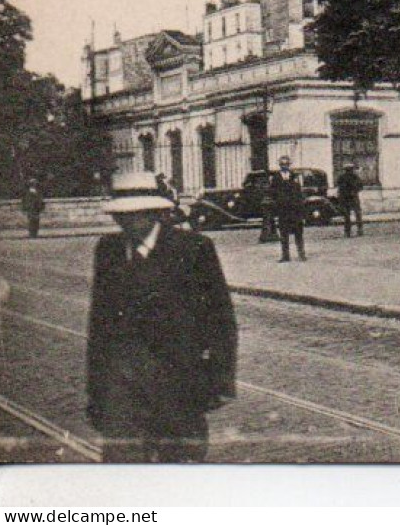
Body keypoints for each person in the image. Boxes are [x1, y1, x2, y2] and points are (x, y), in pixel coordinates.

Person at [86, 171, 237, 462]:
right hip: (123, 391)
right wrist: (96, 394)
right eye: (120, 215)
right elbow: (99, 326)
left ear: (154, 212)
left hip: (179, 386)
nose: (125, 222)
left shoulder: (193, 249)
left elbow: (221, 320)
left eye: (134, 215)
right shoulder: (108, 250)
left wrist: (219, 382)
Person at [269, 156, 307, 262]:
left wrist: (301, 209)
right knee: (284, 233)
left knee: (298, 233)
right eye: (282, 165)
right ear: (280, 166)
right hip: (283, 210)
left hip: (295, 209)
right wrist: (277, 205)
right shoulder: (275, 178)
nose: (285, 166)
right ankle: (285, 256)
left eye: (286, 164)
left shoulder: (295, 176)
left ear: (289, 165)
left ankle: (301, 254)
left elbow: (299, 192)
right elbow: (272, 193)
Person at [336, 163, 365, 238]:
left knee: (348, 215)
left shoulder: (342, 177)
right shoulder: (354, 177)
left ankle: (349, 232)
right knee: (356, 214)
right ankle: (358, 230)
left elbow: (339, 188)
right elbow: (361, 187)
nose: (349, 171)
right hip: (351, 198)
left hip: (347, 198)